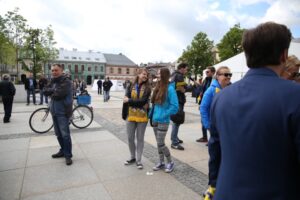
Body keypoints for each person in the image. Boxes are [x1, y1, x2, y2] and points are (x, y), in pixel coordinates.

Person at [207, 22, 300, 199]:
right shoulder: (295, 95)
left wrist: (213, 184)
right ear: (284, 55)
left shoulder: (222, 97)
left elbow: (215, 151)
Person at [44, 64, 73, 166]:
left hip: (63, 112)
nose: (54, 72)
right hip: (54, 111)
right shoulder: (52, 80)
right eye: (52, 70)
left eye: (56, 70)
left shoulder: (66, 81)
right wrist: (52, 91)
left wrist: (51, 92)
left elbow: (58, 95)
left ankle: (68, 155)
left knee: (65, 135)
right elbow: (45, 91)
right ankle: (62, 150)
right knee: (58, 134)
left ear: (61, 71)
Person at [151, 68, 178, 173]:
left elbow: (175, 106)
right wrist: (151, 115)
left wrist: (163, 114)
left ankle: (170, 162)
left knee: (161, 143)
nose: (157, 75)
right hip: (155, 120)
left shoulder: (170, 89)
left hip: (163, 120)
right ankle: (161, 162)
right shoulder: (157, 87)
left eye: (158, 73)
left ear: (163, 75)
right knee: (158, 143)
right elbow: (154, 104)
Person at [123, 69, 151, 169]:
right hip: (130, 115)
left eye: (146, 75)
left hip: (142, 117)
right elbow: (125, 99)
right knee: (130, 138)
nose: (145, 76)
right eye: (144, 74)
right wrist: (132, 101)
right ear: (138, 74)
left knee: (140, 139)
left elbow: (142, 101)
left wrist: (130, 100)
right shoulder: (130, 85)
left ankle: (139, 160)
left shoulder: (148, 88)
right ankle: (132, 157)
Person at [170, 63, 188, 150]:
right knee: (177, 121)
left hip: (174, 100)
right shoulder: (179, 76)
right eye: (186, 69)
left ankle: (175, 137)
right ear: (181, 68)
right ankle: (174, 142)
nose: (186, 71)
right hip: (178, 101)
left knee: (175, 120)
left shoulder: (173, 74)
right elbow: (182, 89)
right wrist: (188, 89)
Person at [196, 66, 216, 143]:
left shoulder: (215, 81)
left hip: (212, 103)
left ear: (213, 72)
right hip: (204, 102)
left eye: (208, 72)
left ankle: (212, 138)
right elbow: (202, 90)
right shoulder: (206, 80)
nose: (206, 73)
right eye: (206, 72)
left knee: (211, 121)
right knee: (203, 120)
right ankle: (204, 137)